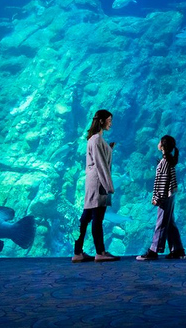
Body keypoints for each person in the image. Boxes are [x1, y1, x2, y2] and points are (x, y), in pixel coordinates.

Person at [72, 109, 120, 263]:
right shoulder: (97, 140)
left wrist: (109, 150)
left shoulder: (94, 139)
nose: (111, 123)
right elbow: (101, 165)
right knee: (97, 218)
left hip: (92, 182)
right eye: (109, 120)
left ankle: (78, 252)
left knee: (86, 218)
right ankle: (100, 252)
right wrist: (109, 185)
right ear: (101, 121)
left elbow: (98, 159)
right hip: (99, 182)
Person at [137, 135, 186, 260]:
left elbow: (162, 183)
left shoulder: (164, 163)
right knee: (169, 223)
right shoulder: (168, 161)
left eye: (159, 142)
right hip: (170, 196)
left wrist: (157, 198)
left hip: (165, 197)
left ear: (162, 146)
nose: (158, 143)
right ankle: (177, 249)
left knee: (161, 223)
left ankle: (154, 251)